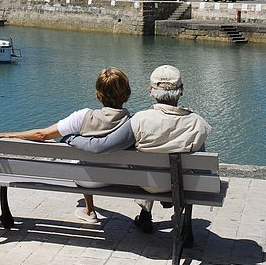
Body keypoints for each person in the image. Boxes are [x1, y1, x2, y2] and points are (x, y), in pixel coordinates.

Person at [63, 65, 211, 233]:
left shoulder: (139, 120)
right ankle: (183, 224)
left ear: (150, 90)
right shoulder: (198, 123)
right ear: (181, 90)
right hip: (182, 185)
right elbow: (202, 169)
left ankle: (145, 215)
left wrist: (72, 139)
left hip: (148, 184)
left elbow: (102, 146)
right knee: (175, 166)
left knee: (149, 160)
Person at [0, 67, 132, 222]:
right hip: (119, 179)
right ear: (127, 94)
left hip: (86, 179)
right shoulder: (134, 122)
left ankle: (89, 210)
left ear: (98, 94)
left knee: (77, 156)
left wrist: (6, 135)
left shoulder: (82, 117)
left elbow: (42, 135)